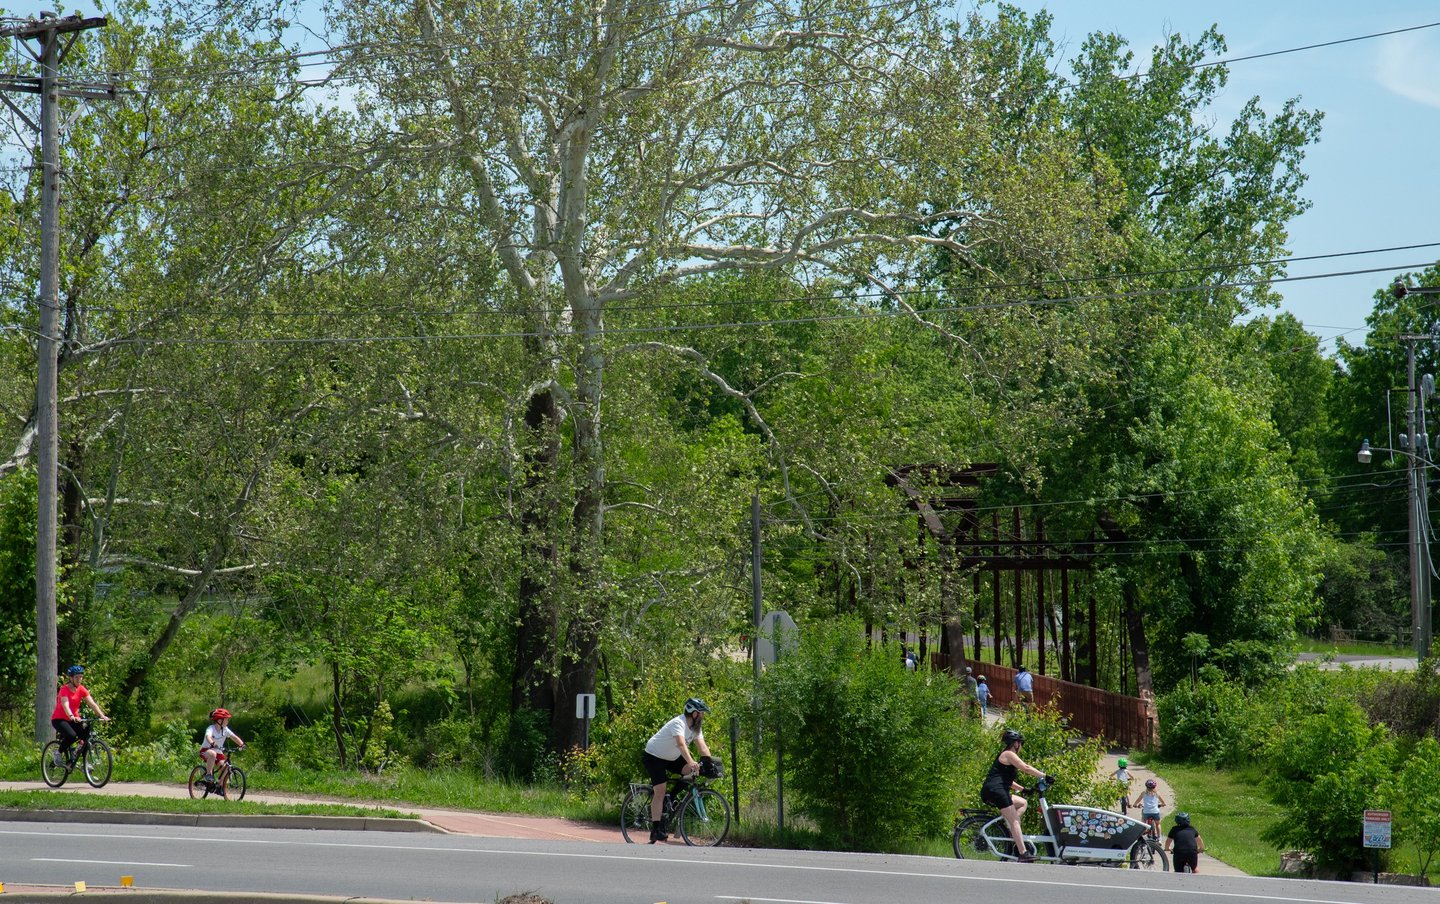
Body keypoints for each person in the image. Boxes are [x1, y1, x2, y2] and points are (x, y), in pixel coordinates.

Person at [642, 697, 713, 843]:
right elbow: (681, 745)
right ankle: (656, 829)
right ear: (694, 713)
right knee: (660, 791)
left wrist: (708, 762)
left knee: (694, 771)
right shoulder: (678, 723)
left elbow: (702, 746)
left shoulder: (695, 728)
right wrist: (692, 761)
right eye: (701, 713)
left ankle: (671, 798)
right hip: (654, 756)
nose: (703, 716)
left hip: (671, 757)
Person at [979, 729, 1049, 863]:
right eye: (1020, 743)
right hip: (996, 791)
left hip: (997, 789)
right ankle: (1023, 853)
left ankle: (1011, 828)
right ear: (1015, 744)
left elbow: (1007, 781)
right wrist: (1045, 776)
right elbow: (1026, 768)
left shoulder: (1007, 755)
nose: (1020, 746)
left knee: (1023, 803)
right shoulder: (1009, 754)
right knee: (1015, 820)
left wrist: (1023, 790)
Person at [50, 665, 109, 766]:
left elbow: (92, 704)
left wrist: (102, 715)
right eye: (77, 677)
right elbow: (65, 704)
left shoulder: (81, 689)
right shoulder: (64, 689)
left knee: (86, 736)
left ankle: (83, 760)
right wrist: (71, 716)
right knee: (71, 736)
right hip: (59, 719)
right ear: (71, 678)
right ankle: (58, 753)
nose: (79, 679)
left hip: (74, 719)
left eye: (81, 677)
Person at [200, 708, 246, 785]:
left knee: (226, 767)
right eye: (226, 719)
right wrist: (212, 743)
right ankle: (209, 774)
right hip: (206, 750)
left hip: (218, 751)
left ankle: (220, 785)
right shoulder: (211, 728)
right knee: (212, 754)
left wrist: (242, 744)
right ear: (220, 720)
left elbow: (234, 737)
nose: (227, 721)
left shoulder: (225, 729)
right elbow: (208, 736)